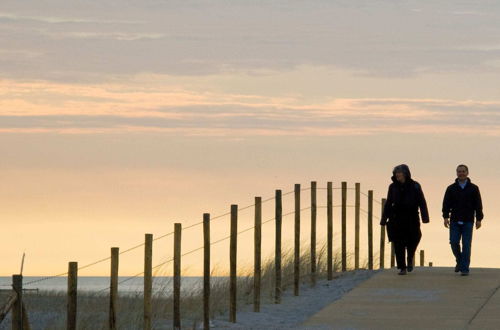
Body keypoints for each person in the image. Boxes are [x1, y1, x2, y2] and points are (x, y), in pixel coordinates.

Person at [381, 164, 430, 275]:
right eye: (396, 173)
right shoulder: (392, 187)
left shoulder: (415, 186)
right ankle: (402, 267)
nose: (397, 175)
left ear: (405, 173)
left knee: (415, 237)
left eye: (399, 172)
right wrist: (384, 218)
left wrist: (425, 217)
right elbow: (389, 203)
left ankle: (410, 257)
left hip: (412, 216)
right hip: (396, 217)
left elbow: (422, 202)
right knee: (398, 243)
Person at [442, 164, 483, 276]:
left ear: (467, 173)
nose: (461, 173)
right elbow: (446, 204)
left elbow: (478, 205)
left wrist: (479, 219)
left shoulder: (474, 188)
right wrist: (445, 217)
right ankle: (459, 261)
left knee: (466, 244)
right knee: (454, 242)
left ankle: (464, 269)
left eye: (463, 171)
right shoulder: (451, 188)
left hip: (468, 221)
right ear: (456, 173)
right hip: (454, 220)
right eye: (459, 171)